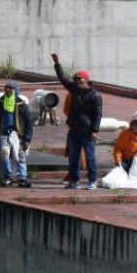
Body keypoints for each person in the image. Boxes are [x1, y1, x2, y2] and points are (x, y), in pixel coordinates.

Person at [51, 53, 103, 190]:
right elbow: (63, 78)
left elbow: (98, 114)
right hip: (74, 130)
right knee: (73, 157)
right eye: (76, 79)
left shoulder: (95, 95)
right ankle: (74, 180)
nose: (77, 81)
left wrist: (94, 130)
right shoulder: (74, 90)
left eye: (79, 79)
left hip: (87, 131)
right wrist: (57, 64)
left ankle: (92, 180)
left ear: (86, 80)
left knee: (90, 157)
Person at [0, 80, 33, 188]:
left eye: (10, 88)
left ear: (15, 90)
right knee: (5, 153)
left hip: (18, 135)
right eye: (6, 88)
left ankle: (22, 178)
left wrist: (27, 139)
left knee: (21, 155)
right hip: (5, 133)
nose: (8, 90)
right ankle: (7, 177)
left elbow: (29, 123)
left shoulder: (21, 104)